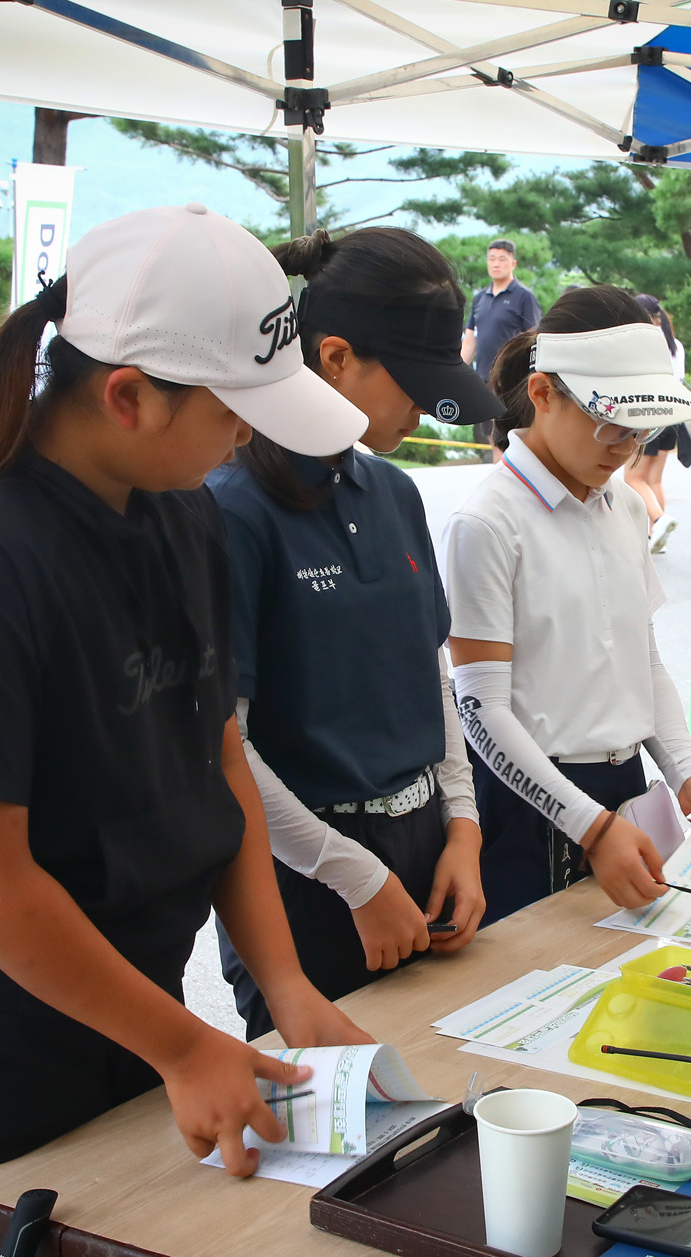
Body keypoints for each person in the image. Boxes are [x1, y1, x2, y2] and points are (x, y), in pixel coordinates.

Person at [0, 204, 376, 1257]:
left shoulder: (182, 512)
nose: (246, 436)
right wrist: (181, 1044)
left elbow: (216, 763)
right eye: (232, 411)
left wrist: (286, 983)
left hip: (128, 997)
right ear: (127, 396)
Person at [208, 227, 501, 1037]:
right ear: (333, 357)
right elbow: (220, 743)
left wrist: (464, 828)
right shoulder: (231, 510)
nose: (422, 406)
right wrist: (352, 876)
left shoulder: (393, 490)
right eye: (411, 382)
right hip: (304, 870)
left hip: (425, 847)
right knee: (335, 1133)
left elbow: (432, 676)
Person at [445, 286, 691, 924]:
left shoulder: (628, 507)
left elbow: (645, 662)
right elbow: (480, 711)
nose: (625, 445)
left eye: (641, 428)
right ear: (543, 394)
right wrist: (590, 826)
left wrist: (690, 777)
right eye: (609, 421)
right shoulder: (488, 522)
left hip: (624, 790)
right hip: (527, 801)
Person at [623, 294, 691, 554]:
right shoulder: (674, 345)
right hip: (673, 418)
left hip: (648, 416)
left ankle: (658, 520)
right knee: (653, 479)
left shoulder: (641, 343)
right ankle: (657, 535)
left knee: (632, 477)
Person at [460, 238, 540, 457]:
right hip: (483, 378)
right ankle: (500, 480)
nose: (496, 264)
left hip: (511, 380)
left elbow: (533, 339)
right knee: (491, 436)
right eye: (492, 259)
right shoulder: (479, 299)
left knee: (508, 437)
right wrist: (457, 372)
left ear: (513, 263)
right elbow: (469, 340)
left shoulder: (524, 297)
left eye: (502, 259)